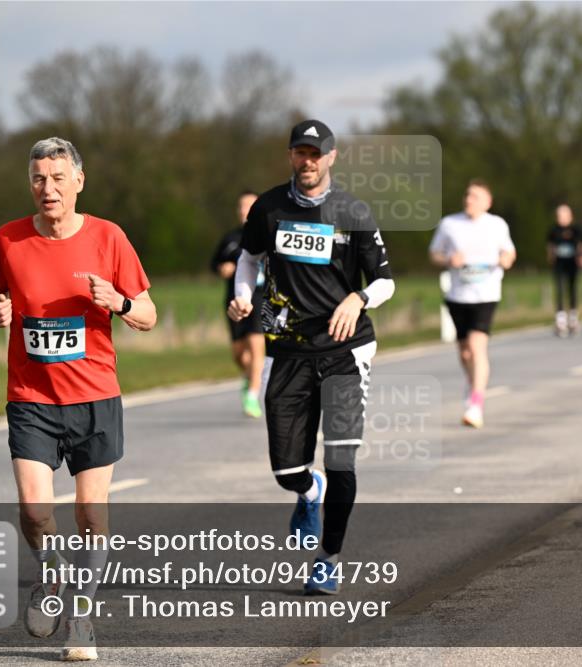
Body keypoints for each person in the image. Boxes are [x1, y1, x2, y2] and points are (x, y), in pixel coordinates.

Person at [0, 138, 156, 661]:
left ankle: (81, 614)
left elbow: (147, 315)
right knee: (35, 511)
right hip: (31, 396)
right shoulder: (7, 240)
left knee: (89, 513)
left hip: (95, 396)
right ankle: (53, 576)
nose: (48, 188)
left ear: (79, 181)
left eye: (58, 178)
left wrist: (120, 301)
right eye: (39, 178)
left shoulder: (109, 237)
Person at [228, 120, 395, 594]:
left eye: (316, 153)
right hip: (290, 351)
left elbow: (385, 281)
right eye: (300, 153)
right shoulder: (269, 206)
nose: (308, 161)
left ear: (332, 157)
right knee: (285, 470)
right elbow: (249, 258)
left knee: (342, 460)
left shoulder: (352, 211)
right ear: (290, 157)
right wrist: (244, 296)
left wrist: (357, 299)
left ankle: (329, 557)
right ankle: (307, 490)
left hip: (346, 349)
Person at [429, 179, 516, 427]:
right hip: (458, 295)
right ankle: (472, 385)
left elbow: (509, 251)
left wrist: (506, 259)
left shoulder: (497, 225)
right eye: (468, 195)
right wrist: (448, 259)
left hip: (486, 294)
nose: (469, 200)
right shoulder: (449, 224)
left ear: (487, 202)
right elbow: (434, 253)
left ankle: (476, 403)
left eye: (476, 196)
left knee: (477, 347)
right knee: (465, 351)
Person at [211, 191, 265, 417]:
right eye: (241, 207)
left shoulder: (267, 234)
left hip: (261, 299)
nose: (245, 211)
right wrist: (222, 269)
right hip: (234, 301)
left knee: (256, 347)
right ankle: (248, 375)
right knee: (238, 352)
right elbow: (214, 264)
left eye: (249, 206)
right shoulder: (230, 238)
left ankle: (252, 396)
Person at [546, 204, 582, 337]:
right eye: (559, 215)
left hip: (572, 264)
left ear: (570, 216)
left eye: (564, 215)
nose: (561, 218)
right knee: (560, 290)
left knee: (572, 290)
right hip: (559, 265)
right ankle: (561, 321)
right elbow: (550, 247)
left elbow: (581, 245)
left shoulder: (575, 230)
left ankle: (573, 319)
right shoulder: (554, 230)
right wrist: (551, 259)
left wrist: (581, 258)